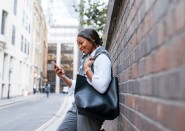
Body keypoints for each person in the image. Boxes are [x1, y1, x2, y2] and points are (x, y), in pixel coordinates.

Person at [54, 28, 112, 131]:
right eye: (78, 45)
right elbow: (81, 85)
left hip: (91, 109)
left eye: (81, 43)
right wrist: (63, 77)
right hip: (78, 105)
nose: (80, 47)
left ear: (92, 39)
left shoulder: (102, 58)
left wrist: (86, 70)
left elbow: (102, 87)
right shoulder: (88, 59)